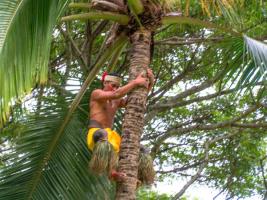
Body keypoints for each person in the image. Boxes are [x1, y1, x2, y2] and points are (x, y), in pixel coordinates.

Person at [87, 69, 154, 181]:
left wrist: (150, 81)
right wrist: (135, 82)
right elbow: (116, 94)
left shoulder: (117, 101)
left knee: (141, 149)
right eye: (113, 85)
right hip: (96, 134)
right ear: (105, 83)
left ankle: (138, 177)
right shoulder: (96, 93)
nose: (115, 88)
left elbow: (135, 99)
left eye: (117, 86)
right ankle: (112, 172)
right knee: (103, 135)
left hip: (111, 136)